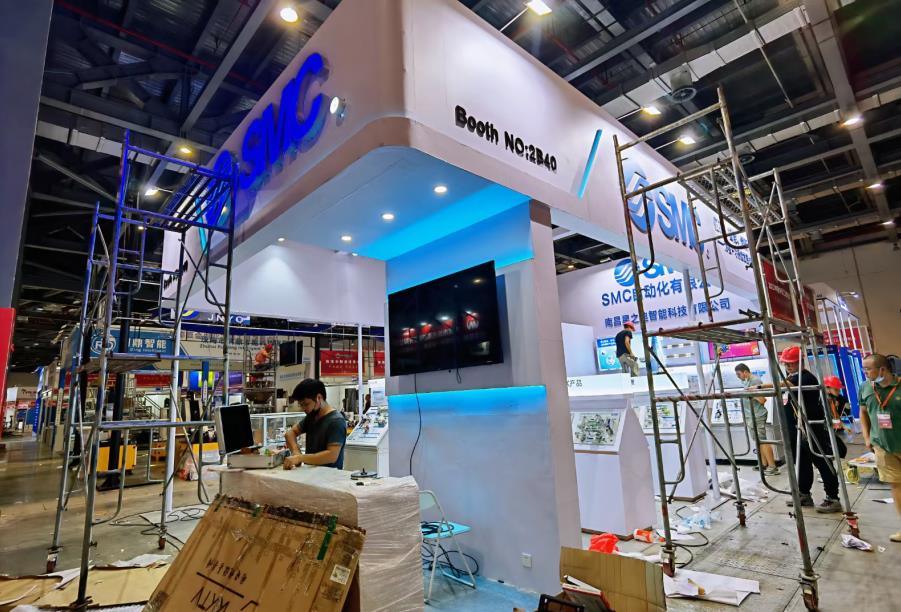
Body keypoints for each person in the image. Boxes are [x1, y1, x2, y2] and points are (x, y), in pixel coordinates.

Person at [778, 346, 842, 513]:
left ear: (800, 362)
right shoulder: (791, 376)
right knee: (801, 462)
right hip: (795, 429)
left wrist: (759, 387)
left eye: (791, 363)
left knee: (822, 461)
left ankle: (833, 498)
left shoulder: (806, 378)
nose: (788, 366)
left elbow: (786, 385)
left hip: (811, 428)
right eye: (786, 363)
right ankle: (804, 494)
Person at [859, 353, 901, 542]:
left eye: (868, 369)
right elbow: (863, 412)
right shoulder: (865, 387)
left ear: (882, 370)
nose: (865, 372)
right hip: (882, 445)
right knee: (896, 485)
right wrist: (867, 437)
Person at [283, 378, 347, 470]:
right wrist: (296, 451)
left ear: (319, 398)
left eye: (306, 404)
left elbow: (331, 456)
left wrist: (300, 458)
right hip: (311, 473)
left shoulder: (336, 421)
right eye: (301, 405)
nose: (304, 408)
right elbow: (290, 433)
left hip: (329, 476)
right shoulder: (312, 417)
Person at [734, 363, 778, 475]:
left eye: (739, 374)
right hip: (751, 415)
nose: (738, 377)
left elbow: (762, 399)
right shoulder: (746, 381)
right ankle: (763, 464)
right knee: (758, 440)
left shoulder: (755, 381)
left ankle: (772, 466)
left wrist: (750, 394)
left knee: (762, 440)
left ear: (745, 372)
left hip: (757, 414)